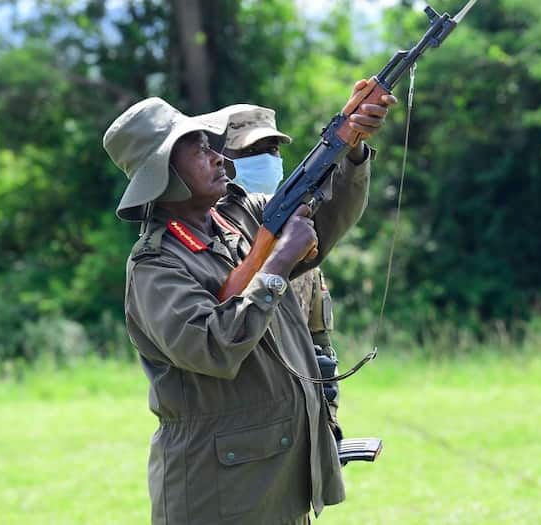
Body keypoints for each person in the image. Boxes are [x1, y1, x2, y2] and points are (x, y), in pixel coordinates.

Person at [102, 80, 395, 525]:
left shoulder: (239, 216)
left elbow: (327, 219)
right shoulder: (155, 266)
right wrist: (277, 263)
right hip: (219, 496)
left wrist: (351, 148)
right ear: (166, 174)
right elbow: (213, 348)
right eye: (200, 150)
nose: (219, 156)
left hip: (277, 481)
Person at [214, 103, 342, 438]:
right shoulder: (212, 234)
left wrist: (329, 419)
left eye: (271, 149)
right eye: (251, 151)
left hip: (302, 421)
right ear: (220, 159)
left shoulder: (295, 231)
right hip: (244, 423)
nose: (267, 159)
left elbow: (320, 344)